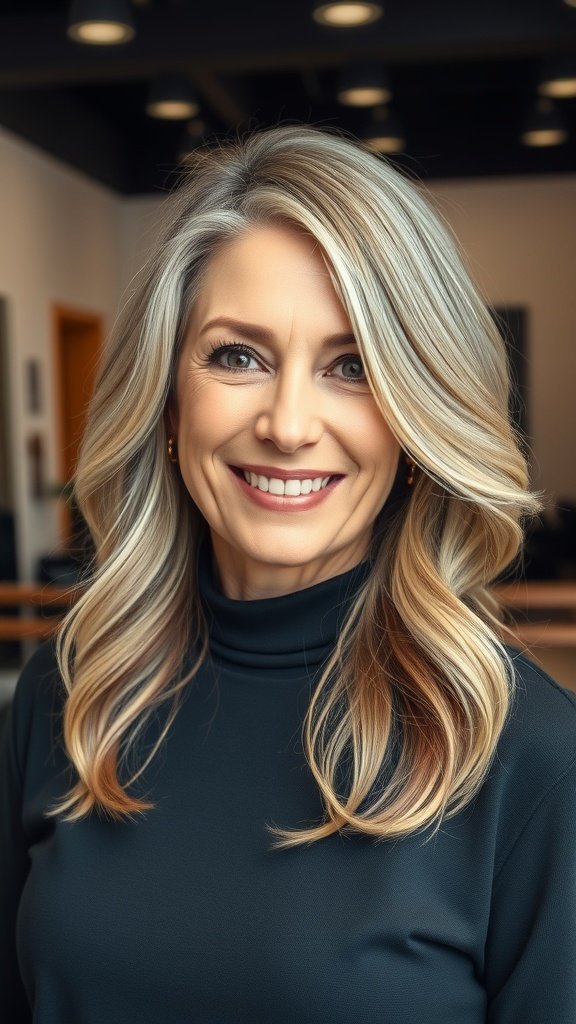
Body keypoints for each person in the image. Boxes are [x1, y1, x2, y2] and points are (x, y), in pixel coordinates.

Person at [1, 124, 575, 1024]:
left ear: (415, 416)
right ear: (166, 394)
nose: (289, 423)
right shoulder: (68, 693)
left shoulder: (525, 752)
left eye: (353, 366)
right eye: (239, 355)